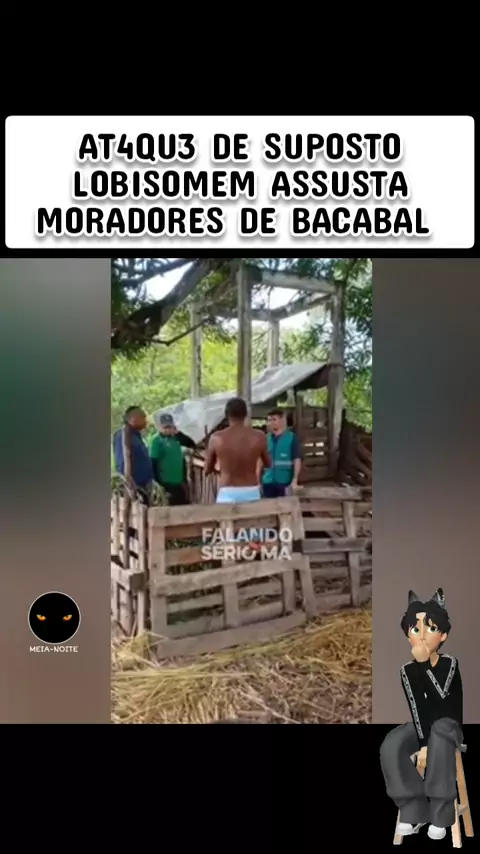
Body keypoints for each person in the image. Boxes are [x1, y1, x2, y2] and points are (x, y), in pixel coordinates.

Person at [380, 588, 463, 842]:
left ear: (443, 635)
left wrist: (425, 664)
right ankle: (413, 808)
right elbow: (417, 706)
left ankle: (441, 813)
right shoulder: (407, 670)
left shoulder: (449, 663)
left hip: (448, 726)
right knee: (392, 743)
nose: (423, 635)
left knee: (440, 733)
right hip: (423, 726)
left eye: (430, 628)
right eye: (416, 629)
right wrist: (423, 741)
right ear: (408, 635)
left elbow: (441, 702)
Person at [204, 397, 271, 504]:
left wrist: (220, 470)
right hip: (251, 491)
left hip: (227, 491)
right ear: (246, 414)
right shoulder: (259, 437)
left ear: (226, 415)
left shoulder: (216, 438)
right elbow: (268, 464)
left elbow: (207, 469)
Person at [150, 413, 196, 505]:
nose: (168, 429)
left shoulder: (176, 438)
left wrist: (178, 433)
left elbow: (191, 444)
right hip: (166, 481)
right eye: (165, 427)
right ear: (160, 427)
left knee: (182, 505)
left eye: (170, 426)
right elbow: (153, 461)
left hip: (179, 481)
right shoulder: (157, 440)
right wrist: (158, 482)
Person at [113, 406, 153, 504]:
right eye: (143, 417)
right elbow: (123, 461)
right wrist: (129, 484)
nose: (145, 421)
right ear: (133, 418)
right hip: (134, 487)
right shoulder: (123, 435)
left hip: (143, 485)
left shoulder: (136, 436)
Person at [259, 409, 302, 498]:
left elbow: (297, 459)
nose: (271, 422)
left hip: (285, 481)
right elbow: (260, 461)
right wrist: (258, 481)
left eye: (274, 419)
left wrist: (295, 479)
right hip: (268, 481)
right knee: (269, 505)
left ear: (282, 420)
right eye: (269, 420)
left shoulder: (291, 438)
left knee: (286, 505)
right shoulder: (266, 439)